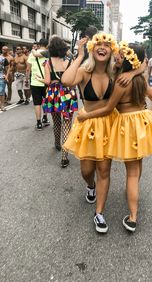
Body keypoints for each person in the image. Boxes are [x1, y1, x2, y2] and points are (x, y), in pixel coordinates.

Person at [76, 42, 152, 233]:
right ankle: (133, 203)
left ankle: (133, 216)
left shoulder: (121, 81)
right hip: (143, 122)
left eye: (120, 55)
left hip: (127, 125)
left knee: (132, 173)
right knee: (137, 167)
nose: (117, 57)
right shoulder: (139, 79)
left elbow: (109, 108)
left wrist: (86, 115)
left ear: (127, 59)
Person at [62, 34, 145, 234]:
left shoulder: (115, 72)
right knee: (86, 170)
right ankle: (90, 186)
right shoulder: (84, 71)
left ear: (112, 51)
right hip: (88, 125)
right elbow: (66, 81)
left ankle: (99, 213)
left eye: (107, 45)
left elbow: (142, 64)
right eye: (98, 44)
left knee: (104, 171)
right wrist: (80, 55)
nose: (102, 47)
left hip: (110, 125)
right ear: (92, 48)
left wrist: (133, 74)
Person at [37, 35, 81, 168]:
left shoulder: (48, 62)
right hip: (67, 93)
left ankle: (57, 143)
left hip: (52, 94)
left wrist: (40, 78)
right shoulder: (69, 61)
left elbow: (47, 82)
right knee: (67, 124)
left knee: (56, 122)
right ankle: (64, 157)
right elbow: (73, 82)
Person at [27, 39, 50, 130]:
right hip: (46, 81)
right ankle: (45, 118)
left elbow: (28, 68)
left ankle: (39, 123)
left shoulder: (32, 54)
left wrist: (27, 79)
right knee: (45, 100)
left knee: (37, 103)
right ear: (47, 45)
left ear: (39, 45)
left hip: (35, 82)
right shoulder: (49, 54)